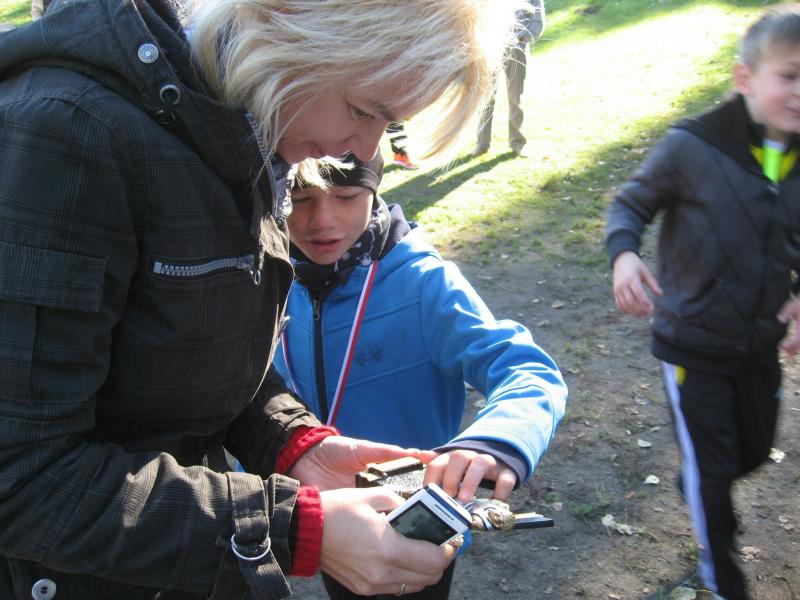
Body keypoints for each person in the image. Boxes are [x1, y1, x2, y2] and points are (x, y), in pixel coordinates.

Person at [0, 0, 525, 598]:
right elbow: (21, 475)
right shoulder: (63, 135)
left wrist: (291, 443)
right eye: (362, 110)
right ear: (284, 22)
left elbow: (192, 353)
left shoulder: (242, 127)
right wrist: (289, 529)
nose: (362, 150)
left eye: (389, 124)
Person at [274, 152, 567, 599]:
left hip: (417, 518)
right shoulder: (273, 278)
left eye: (346, 196)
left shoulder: (424, 283)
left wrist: (495, 441)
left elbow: (527, 369)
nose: (322, 220)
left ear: (374, 189)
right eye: (300, 199)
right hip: (329, 509)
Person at [605, 5, 800, 599]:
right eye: (789, 76)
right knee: (714, 471)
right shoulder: (692, 145)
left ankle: (700, 483)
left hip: (760, 341)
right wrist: (624, 255)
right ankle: (724, 580)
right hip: (692, 342)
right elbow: (631, 203)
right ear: (746, 78)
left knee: (752, 453)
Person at [472, 0, 545, 158]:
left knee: (516, 97)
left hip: (518, 46)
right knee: (486, 96)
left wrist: (526, 36)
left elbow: (538, 14)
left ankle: (518, 142)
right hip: (490, 46)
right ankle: (482, 144)